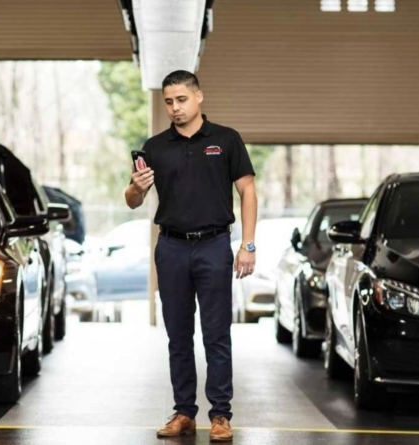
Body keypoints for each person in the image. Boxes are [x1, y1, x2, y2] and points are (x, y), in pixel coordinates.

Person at [124, 71, 257, 442]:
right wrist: (135, 188)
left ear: (199, 97)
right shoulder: (155, 146)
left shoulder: (226, 140)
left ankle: (220, 415)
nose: (175, 108)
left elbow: (247, 191)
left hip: (215, 246)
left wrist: (248, 245)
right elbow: (133, 200)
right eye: (168, 101)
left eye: (181, 99)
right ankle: (184, 412)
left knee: (216, 335)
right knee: (178, 336)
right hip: (171, 247)